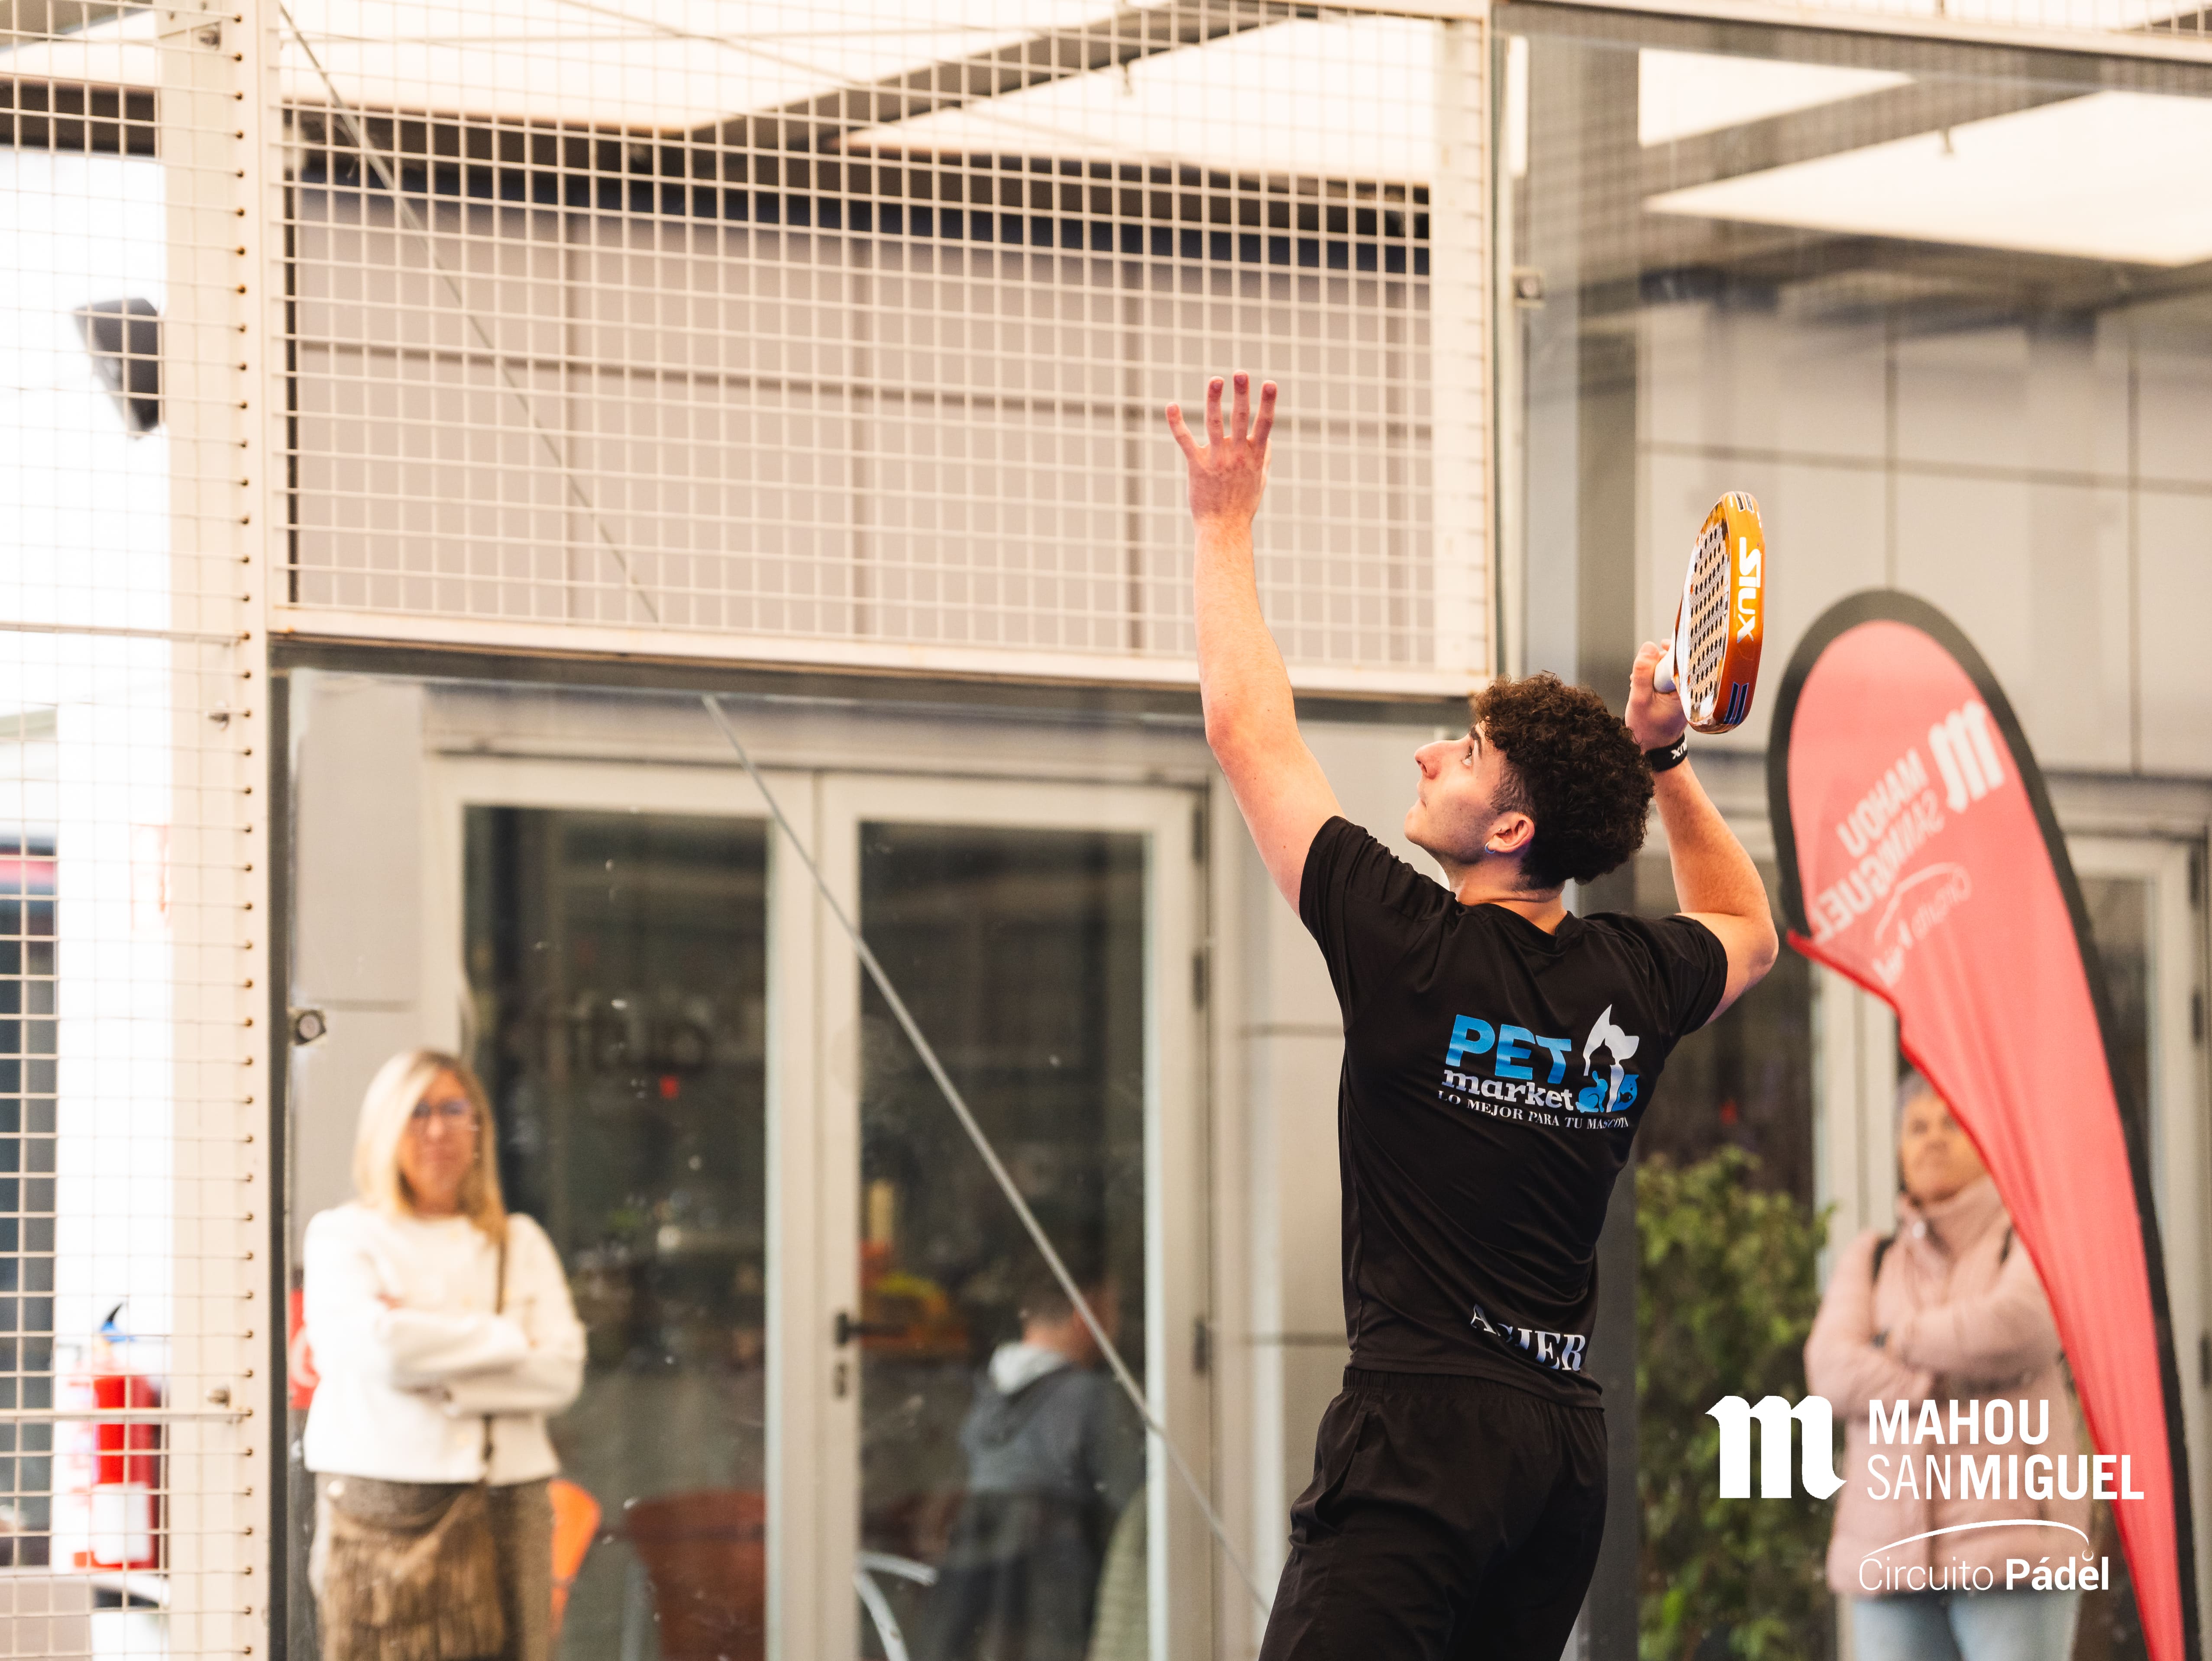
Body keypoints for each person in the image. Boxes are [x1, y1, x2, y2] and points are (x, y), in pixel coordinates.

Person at [1165, 374, 1779, 1658]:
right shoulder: (1628, 979)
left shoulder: (1406, 943)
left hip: (1420, 1436)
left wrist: (1223, 522)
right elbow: (1748, 926)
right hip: (1559, 1456)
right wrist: (1663, 762)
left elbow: (1244, 730)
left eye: (1463, 746)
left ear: (1509, 827)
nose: (1427, 754)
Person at [303, 1049, 586, 1661]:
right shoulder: (344, 1236)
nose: (438, 1129)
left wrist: (437, 1371)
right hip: (381, 1508)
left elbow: (560, 1373)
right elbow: (377, 1350)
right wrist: (506, 1337)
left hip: (510, 1498)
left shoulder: (521, 1241)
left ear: (479, 1126)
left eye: (455, 1109)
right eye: (418, 1111)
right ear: (384, 1127)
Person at [1806, 1072, 2087, 1661]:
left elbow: (2018, 1327)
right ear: (1899, 1149)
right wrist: (1941, 1373)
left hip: (2012, 1549)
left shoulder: (2029, 1238)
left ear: (1985, 1140)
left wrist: (1893, 1339)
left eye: (1950, 1123)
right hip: (1886, 1556)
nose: (1933, 1138)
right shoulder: (1872, 1256)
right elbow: (1830, 1371)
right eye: (1917, 1127)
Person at [916, 1267, 1143, 1661]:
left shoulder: (975, 1392)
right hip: (1053, 1576)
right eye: (1112, 1313)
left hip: (969, 1573)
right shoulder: (1091, 1398)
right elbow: (1138, 1504)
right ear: (1085, 1315)